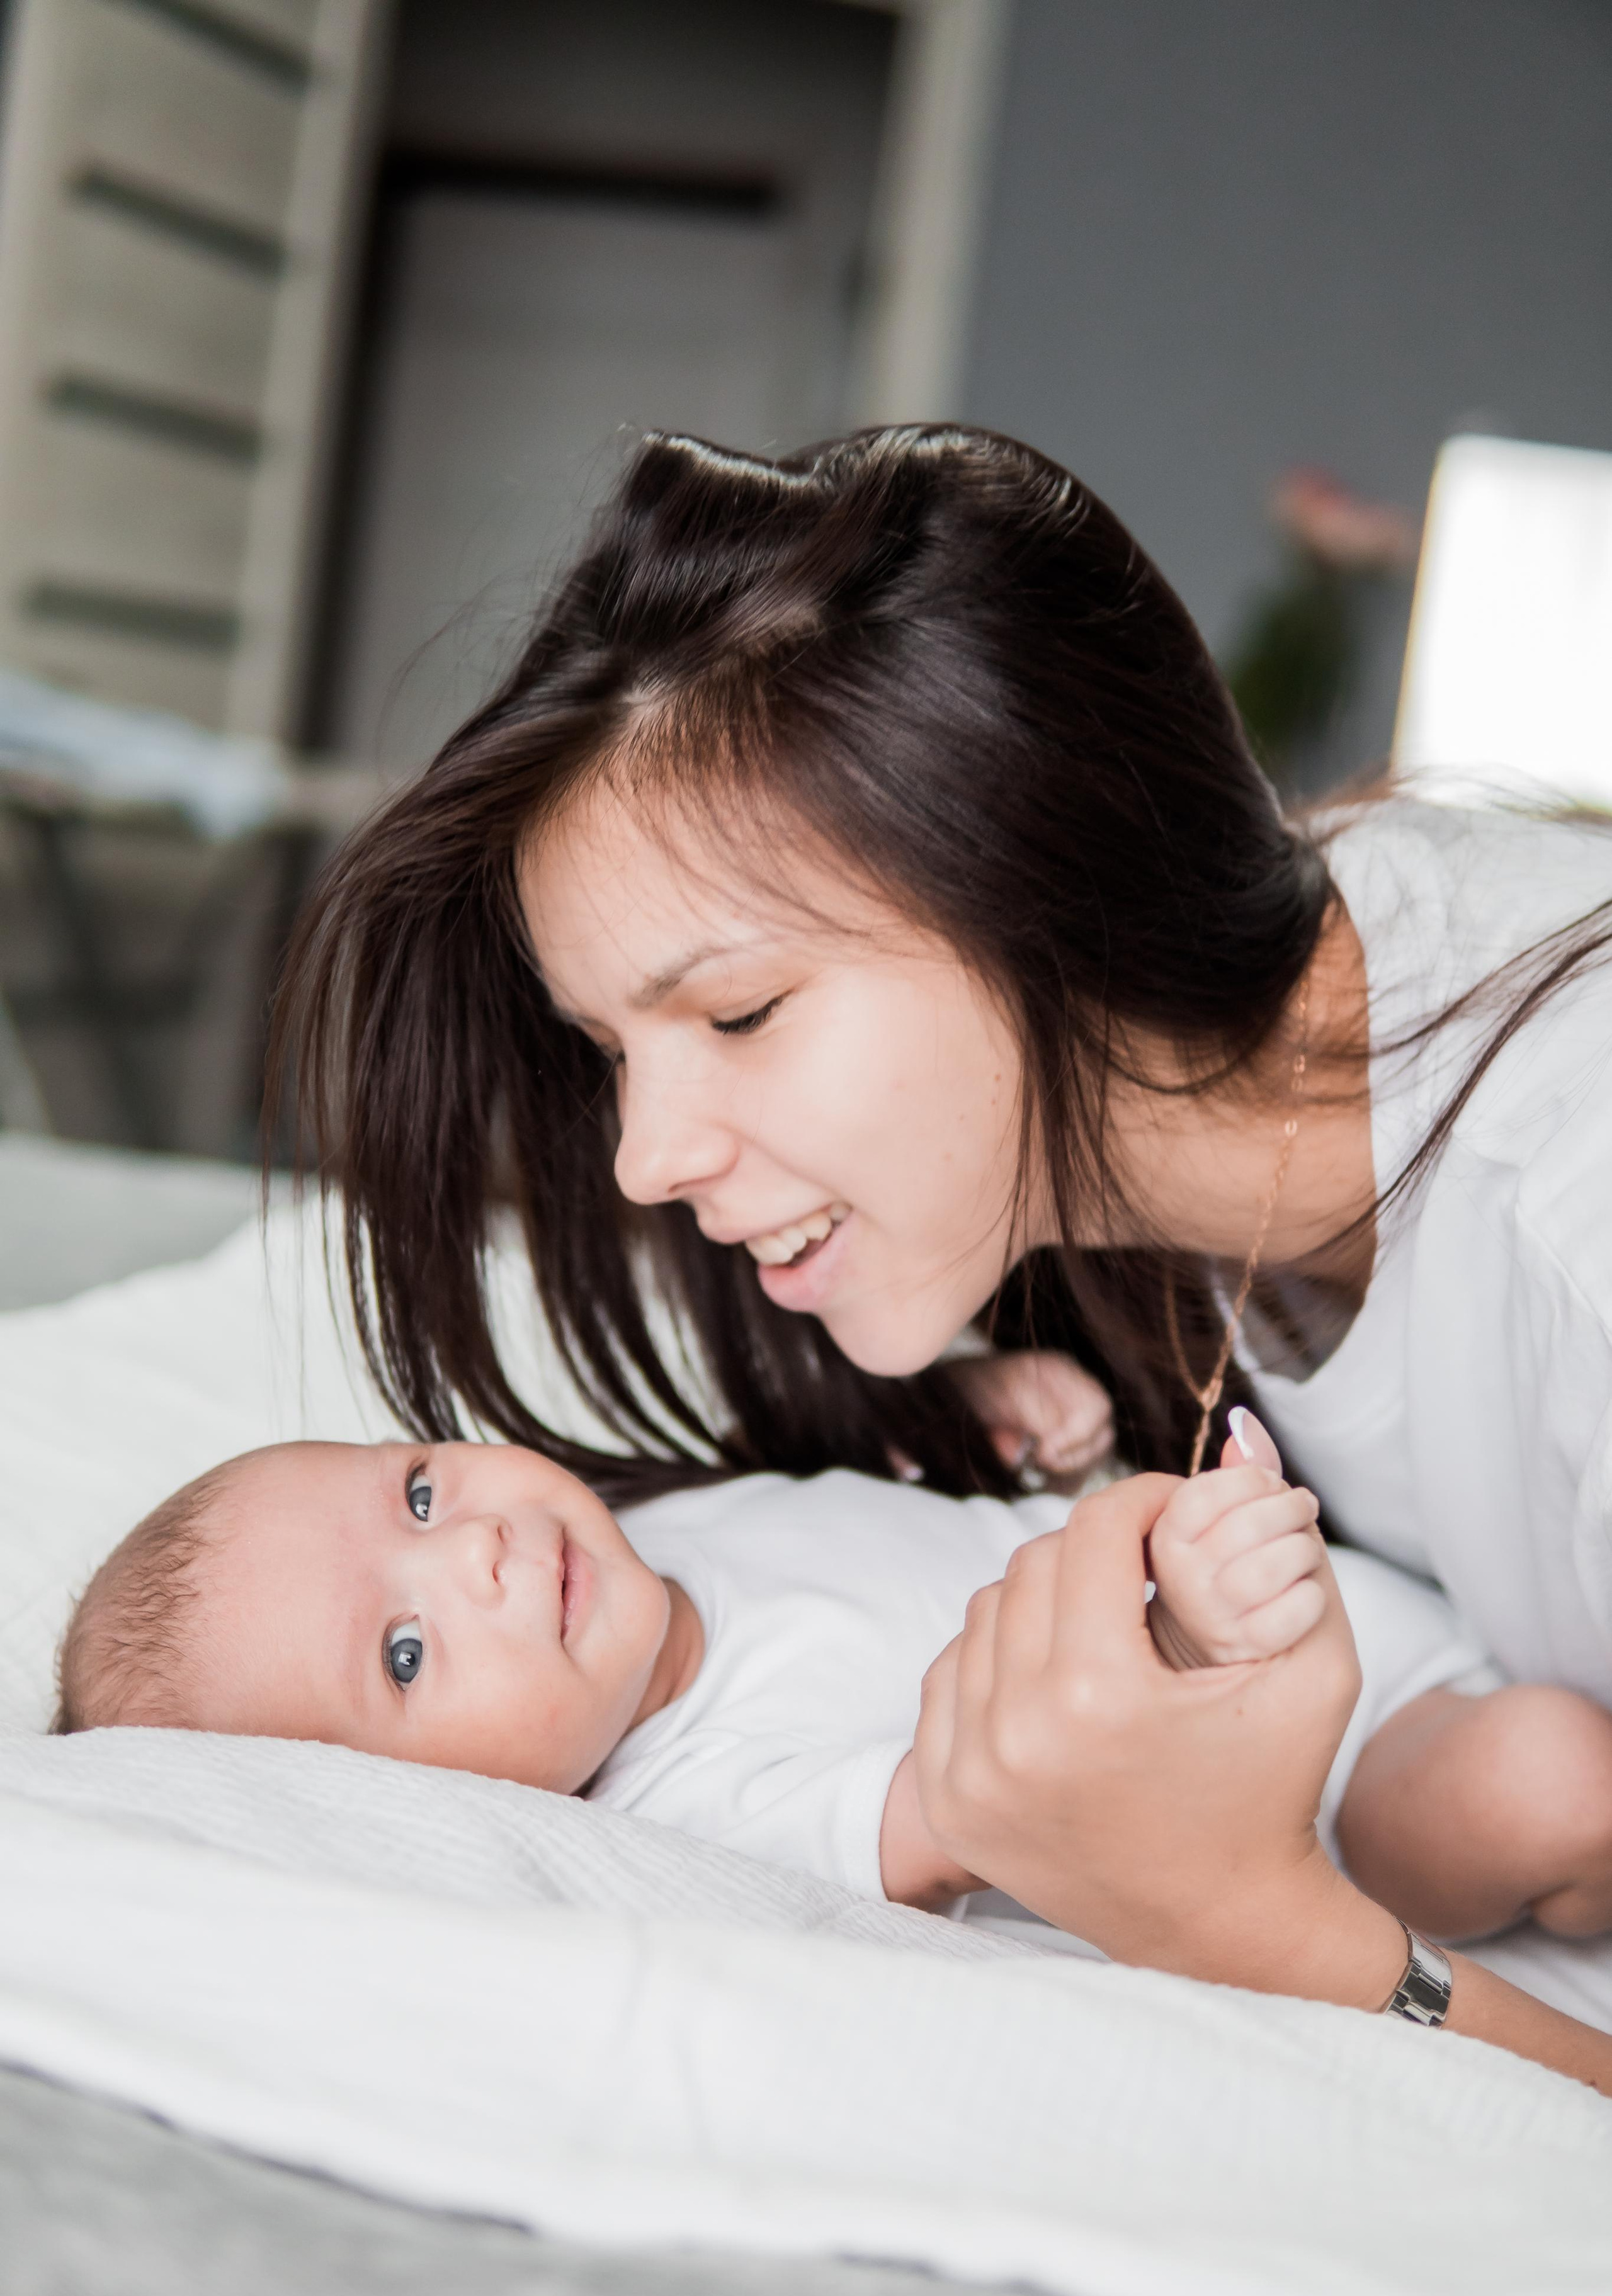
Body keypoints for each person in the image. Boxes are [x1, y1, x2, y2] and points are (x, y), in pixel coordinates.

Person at [271, 423, 1612, 2083]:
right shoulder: (1197, 1112)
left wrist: (1259, 1929)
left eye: (741, 1011)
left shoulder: (1576, 1212)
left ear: (1048, 884)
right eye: (616, 1051)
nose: (642, 1158)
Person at [52, 1423, 1612, 1952]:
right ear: (424, 1808)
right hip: (1332, 1787)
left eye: (413, 1495)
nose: (478, 1557)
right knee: (1550, 1774)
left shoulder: (654, 1534)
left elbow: (904, 1524)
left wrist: (1009, 1421)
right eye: (403, 1655)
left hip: (1341, 1582)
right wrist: (1192, 1641)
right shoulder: (702, 1811)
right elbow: (1009, 1792)